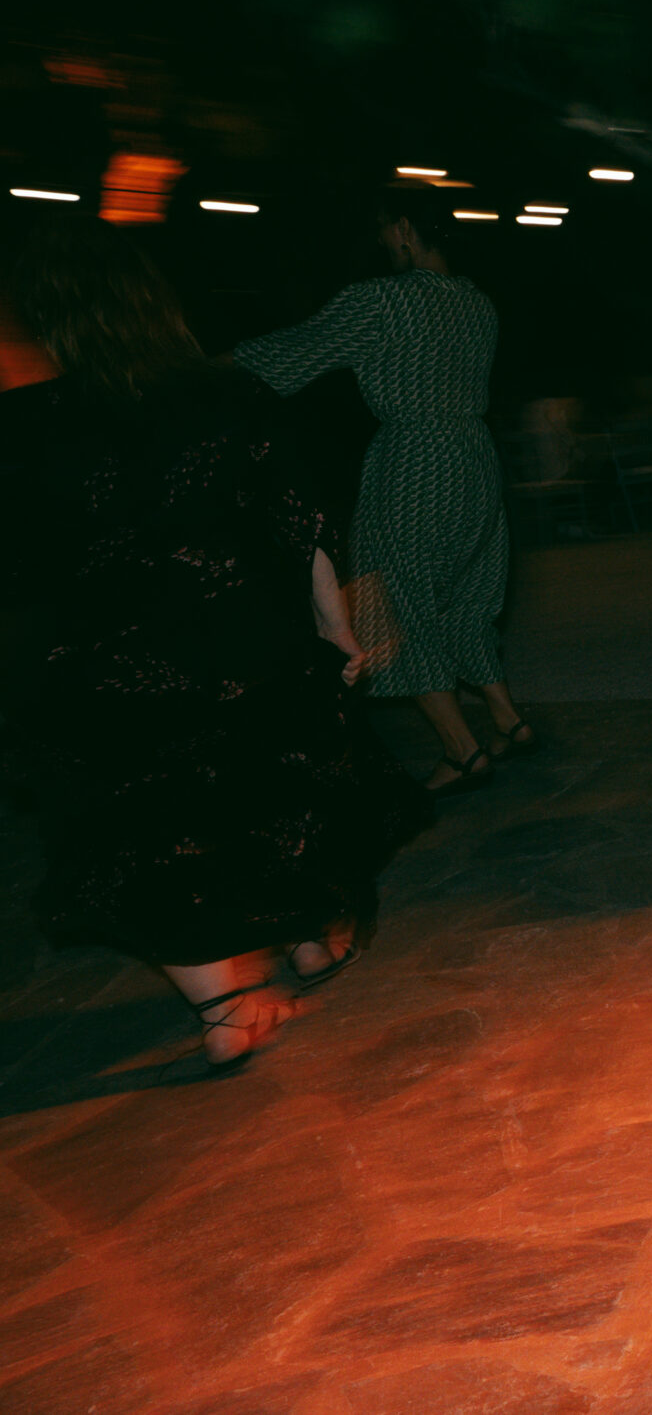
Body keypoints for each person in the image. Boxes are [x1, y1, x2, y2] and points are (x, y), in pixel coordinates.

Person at [3, 220, 425, 1069]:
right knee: (276, 786)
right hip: (235, 638)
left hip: (95, 664)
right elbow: (296, 517)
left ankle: (225, 1004)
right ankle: (308, 936)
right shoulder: (222, 393)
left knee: (137, 829)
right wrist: (336, 624)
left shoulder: (22, 427)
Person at [232, 210, 527, 791]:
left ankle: (461, 751)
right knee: (469, 593)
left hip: (415, 460)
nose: (382, 241)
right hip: (475, 454)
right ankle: (508, 720)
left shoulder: (381, 299)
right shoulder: (478, 302)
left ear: (405, 229)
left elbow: (294, 350)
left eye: (385, 230)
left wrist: (190, 368)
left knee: (392, 597)